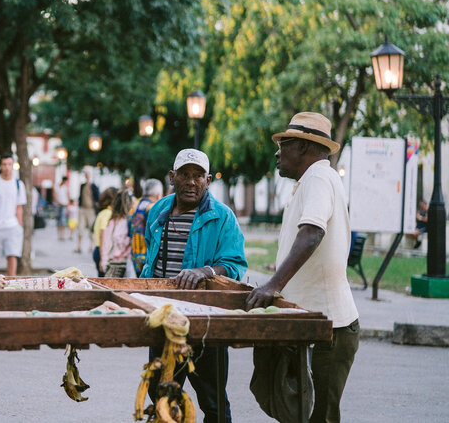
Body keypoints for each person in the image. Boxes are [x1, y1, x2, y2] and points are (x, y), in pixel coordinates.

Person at [247, 112, 359, 423]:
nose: (277, 152)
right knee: (293, 409)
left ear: (304, 147)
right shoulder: (312, 180)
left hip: (328, 328)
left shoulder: (320, 177)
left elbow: (312, 233)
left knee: (317, 416)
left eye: (283, 144)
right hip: (309, 323)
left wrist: (273, 284)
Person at [141, 149, 247, 422]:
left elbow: (235, 264)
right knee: (162, 396)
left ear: (208, 180)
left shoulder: (222, 217)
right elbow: (149, 258)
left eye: (198, 176)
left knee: (213, 402)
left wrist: (206, 271)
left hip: (205, 320)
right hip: (163, 315)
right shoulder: (158, 212)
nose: (191, 182)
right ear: (171, 178)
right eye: (185, 175)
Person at [0, 154, 27, 276]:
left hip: (12, 225)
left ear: (13, 166)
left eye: (9, 164)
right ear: (0, 166)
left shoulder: (18, 184)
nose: (7, 167)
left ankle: (10, 284)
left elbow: (19, 207)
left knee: (12, 255)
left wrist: (19, 226)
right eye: (4, 164)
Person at [129, 178, 164, 276]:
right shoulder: (153, 208)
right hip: (148, 257)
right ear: (158, 195)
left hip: (135, 255)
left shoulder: (135, 206)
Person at [100, 189, 133, 277]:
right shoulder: (129, 221)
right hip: (123, 263)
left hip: (114, 263)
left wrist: (104, 261)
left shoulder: (112, 222)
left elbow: (106, 243)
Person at [92, 187, 117, 277]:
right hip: (102, 250)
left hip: (97, 249)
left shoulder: (102, 213)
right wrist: (103, 258)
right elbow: (103, 234)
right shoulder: (108, 214)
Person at [77, 169, 100, 253]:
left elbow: (97, 198)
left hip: (91, 210)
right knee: (80, 227)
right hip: (82, 209)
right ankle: (79, 246)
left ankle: (92, 246)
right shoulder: (82, 185)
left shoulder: (93, 186)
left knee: (92, 228)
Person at [54, 176, 70, 240]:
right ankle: (59, 235)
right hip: (59, 205)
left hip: (64, 205)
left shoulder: (65, 188)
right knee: (58, 220)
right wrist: (59, 202)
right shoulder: (56, 186)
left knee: (63, 220)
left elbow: (67, 196)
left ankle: (62, 235)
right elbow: (54, 195)